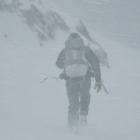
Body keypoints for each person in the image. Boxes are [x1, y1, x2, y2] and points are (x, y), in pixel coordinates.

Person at [55, 33, 102, 129]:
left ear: (68, 40)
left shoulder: (65, 51)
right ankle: (83, 113)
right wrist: (98, 80)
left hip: (70, 80)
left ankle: (73, 125)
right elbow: (95, 64)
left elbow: (59, 65)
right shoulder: (86, 50)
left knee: (73, 102)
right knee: (85, 96)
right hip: (85, 78)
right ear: (80, 40)